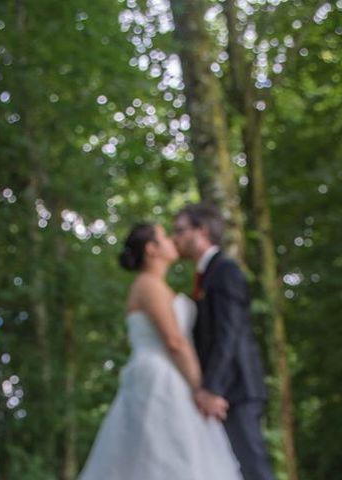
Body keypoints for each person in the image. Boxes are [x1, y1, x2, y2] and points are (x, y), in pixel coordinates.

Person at [78, 222, 243, 480]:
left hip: (171, 375)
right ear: (152, 249)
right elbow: (174, 341)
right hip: (161, 379)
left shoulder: (156, 285)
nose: (171, 240)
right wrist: (201, 389)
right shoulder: (148, 285)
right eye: (165, 236)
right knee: (163, 457)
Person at [172, 203, 276, 480]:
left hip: (235, 388)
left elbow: (228, 333)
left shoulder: (225, 271)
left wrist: (213, 388)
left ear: (202, 231)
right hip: (221, 388)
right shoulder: (206, 276)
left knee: (253, 468)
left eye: (180, 230)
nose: (175, 238)